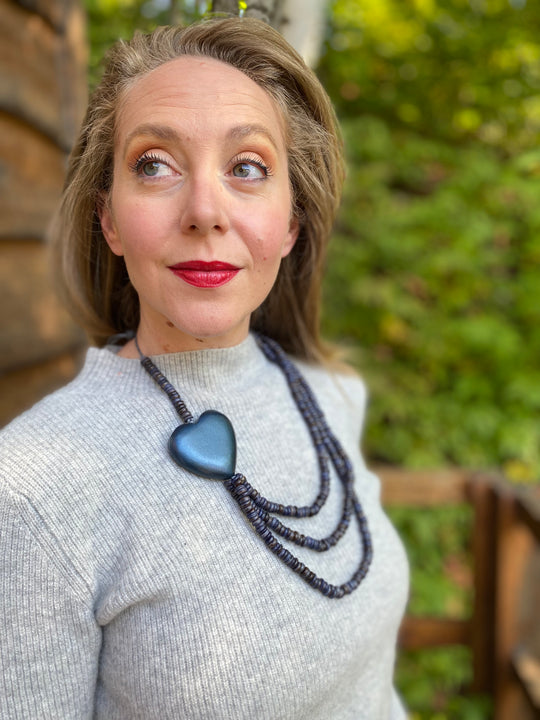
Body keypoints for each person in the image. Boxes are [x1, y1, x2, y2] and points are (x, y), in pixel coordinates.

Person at [0, 16, 409, 719]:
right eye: (154, 164)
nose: (205, 211)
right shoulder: (33, 488)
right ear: (109, 220)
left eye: (247, 167)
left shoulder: (331, 398)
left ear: (291, 222)